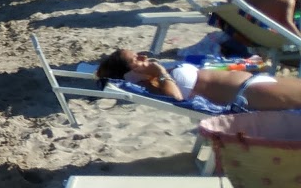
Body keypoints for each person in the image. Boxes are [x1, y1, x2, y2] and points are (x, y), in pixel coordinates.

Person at [95, 49, 301, 111]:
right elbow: (175, 98)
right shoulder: (151, 84)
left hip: (256, 82)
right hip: (248, 95)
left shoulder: (157, 78)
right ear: (129, 74)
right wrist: (158, 69)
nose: (143, 57)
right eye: (136, 59)